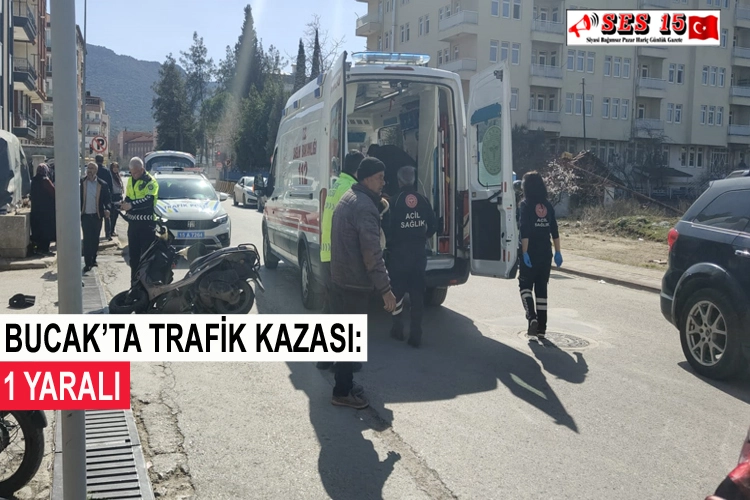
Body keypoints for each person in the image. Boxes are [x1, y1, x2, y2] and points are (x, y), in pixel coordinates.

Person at [329, 157, 397, 409]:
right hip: (354, 284)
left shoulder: (349, 197)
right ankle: (341, 392)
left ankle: (345, 383)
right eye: (380, 177)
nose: (383, 182)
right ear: (367, 178)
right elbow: (372, 253)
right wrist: (386, 289)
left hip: (341, 279)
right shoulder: (364, 207)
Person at [316, 150, 364, 372]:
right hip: (340, 259)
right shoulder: (350, 190)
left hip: (327, 256)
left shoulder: (336, 185)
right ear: (358, 170)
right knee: (346, 312)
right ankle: (346, 364)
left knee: (331, 308)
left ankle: (325, 358)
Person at [387, 166, 437, 347]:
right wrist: (422, 237)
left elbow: (387, 228)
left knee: (397, 294)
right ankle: (416, 335)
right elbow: (433, 225)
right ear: (414, 180)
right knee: (417, 296)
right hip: (418, 254)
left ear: (399, 181)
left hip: (398, 255)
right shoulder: (423, 200)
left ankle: (398, 329)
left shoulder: (394, 201)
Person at [517, 171, 563, 339]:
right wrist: (558, 252)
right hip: (546, 253)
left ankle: (532, 318)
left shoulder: (525, 205)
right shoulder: (548, 206)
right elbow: (554, 230)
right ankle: (542, 329)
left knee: (525, 286)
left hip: (530, 252)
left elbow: (525, 230)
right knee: (542, 289)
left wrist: (525, 252)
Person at [120, 157, 159, 283]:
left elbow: (148, 201)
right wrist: (124, 204)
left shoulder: (150, 181)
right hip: (133, 224)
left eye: (136, 172)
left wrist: (131, 205)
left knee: (146, 257)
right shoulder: (130, 180)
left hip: (146, 224)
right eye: (132, 172)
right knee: (134, 257)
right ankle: (134, 284)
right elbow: (129, 196)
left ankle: (146, 284)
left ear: (142, 169)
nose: (134, 175)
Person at [80, 162, 111, 273]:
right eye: (88, 168)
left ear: (96, 171)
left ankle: (93, 259)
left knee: (95, 239)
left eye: (92, 168)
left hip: (97, 216)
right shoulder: (81, 183)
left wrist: (107, 209)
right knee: (87, 239)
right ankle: (88, 263)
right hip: (85, 216)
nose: (89, 170)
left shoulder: (102, 184)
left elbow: (107, 200)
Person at [29, 164, 56, 255]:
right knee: (46, 231)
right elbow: (54, 193)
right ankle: (44, 250)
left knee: (38, 230)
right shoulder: (45, 181)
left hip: (36, 210)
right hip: (46, 211)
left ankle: (39, 249)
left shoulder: (34, 180)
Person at [95, 154, 114, 239]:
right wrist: (110, 196)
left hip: (95, 195)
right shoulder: (106, 171)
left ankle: (96, 234)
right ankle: (108, 234)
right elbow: (110, 184)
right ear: (103, 161)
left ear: (95, 160)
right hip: (105, 195)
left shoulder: (95, 170)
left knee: (97, 215)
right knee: (107, 215)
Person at [109, 162, 124, 237]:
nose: (115, 169)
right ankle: (110, 231)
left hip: (118, 198)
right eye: (114, 167)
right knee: (112, 216)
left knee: (116, 216)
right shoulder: (110, 176)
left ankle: (112, 230)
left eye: (117, 167)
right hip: (113, 198)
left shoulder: (118, 176)